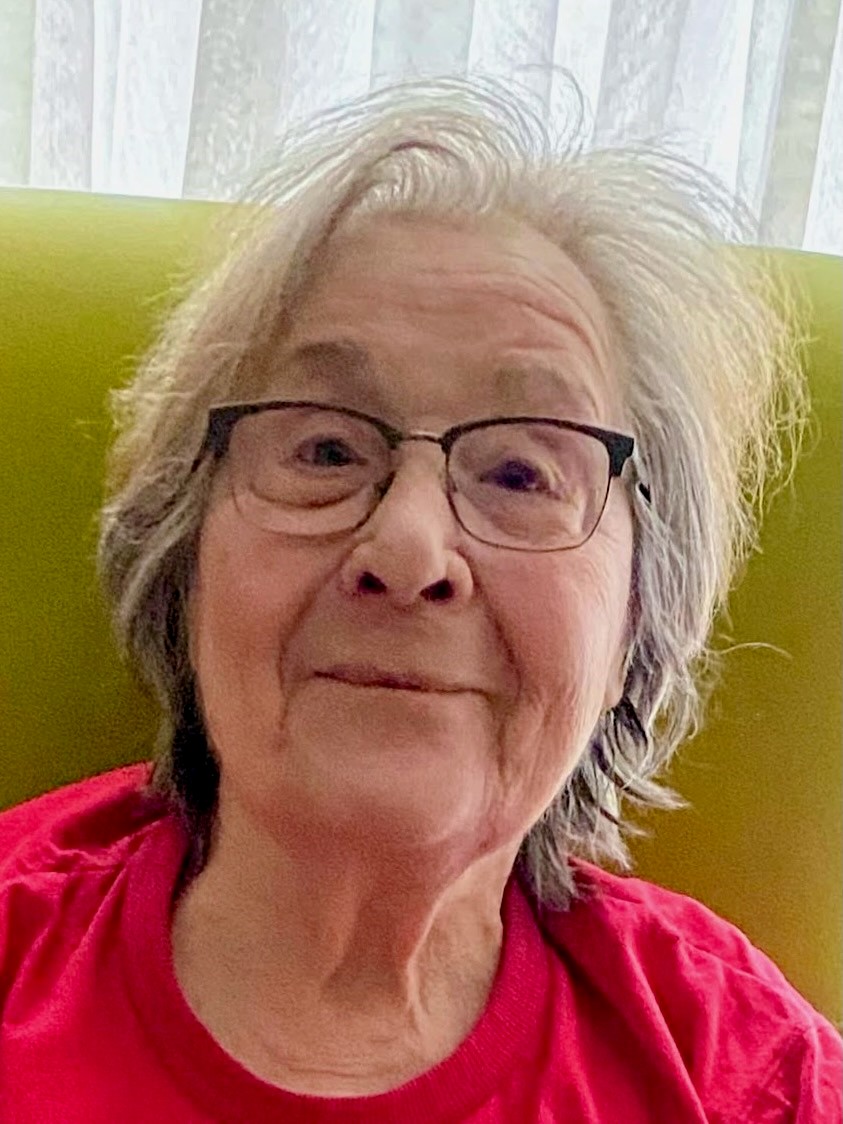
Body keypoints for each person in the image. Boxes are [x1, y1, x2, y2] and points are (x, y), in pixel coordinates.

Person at [0, 76, 840, 1123]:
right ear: (182, 557)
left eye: (523, 474)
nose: (408, 548)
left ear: (636, 617)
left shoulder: (746, 1079)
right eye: (325, 449)